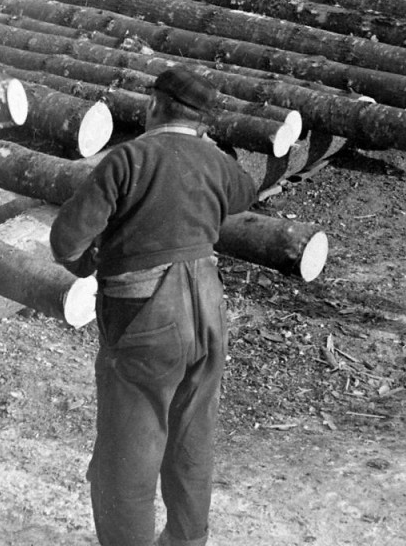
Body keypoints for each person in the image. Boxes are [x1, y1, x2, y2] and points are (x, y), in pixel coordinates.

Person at [50, 65, 257, 546]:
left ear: (154, 107)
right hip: (208, 305)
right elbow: (243, 192)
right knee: (192, 435)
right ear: (201, 122)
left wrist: (92, 263)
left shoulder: (127, 159)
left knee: (130, 448)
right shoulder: (215, 161)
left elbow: (66, 241)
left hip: (146, 314)